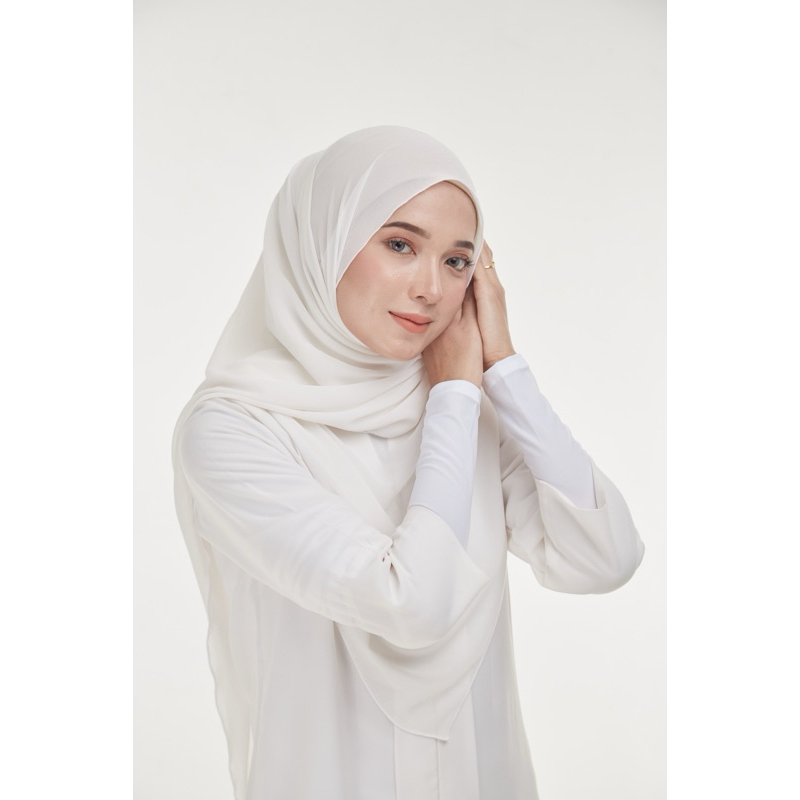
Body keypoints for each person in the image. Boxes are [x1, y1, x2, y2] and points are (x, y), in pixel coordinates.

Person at [172, 125, 645, 800]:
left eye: (457, 261)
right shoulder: (234, 429)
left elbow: (605, 557)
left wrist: (504, 369)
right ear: (324, 241)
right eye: (400, 244)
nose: (430, 288)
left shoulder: (464, 406)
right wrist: (455, 398)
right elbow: (411, 604)